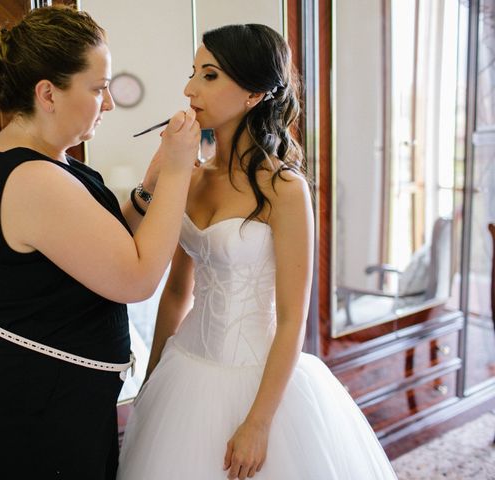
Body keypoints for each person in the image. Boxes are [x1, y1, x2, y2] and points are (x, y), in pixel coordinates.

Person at [117, 24, 397, 480]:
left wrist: (259, 422)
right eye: (193, 73)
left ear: (253, 94)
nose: (189, 89)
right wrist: (150, 382)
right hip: (184, 370)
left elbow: (292, 317)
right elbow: (175, 292)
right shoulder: (188, 178)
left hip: (257, 378)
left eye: (209, 75)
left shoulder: (284, 189)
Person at [0, 5, 200, 479]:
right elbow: (137, 277)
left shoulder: (50, 162)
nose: (108, 104)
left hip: (57, 392)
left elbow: (98, 248)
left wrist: (147, 193)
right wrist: (176, 170)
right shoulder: (29, 179)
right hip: (35, 404)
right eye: (98, 88)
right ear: (47, 93)